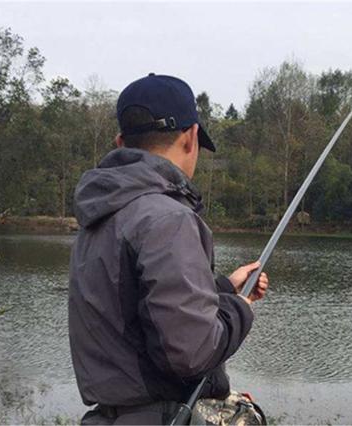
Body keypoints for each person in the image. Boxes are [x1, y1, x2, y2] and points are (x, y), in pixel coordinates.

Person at [68, 73, 268, 425]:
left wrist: (223, 287)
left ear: (120, 142)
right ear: (191, 137)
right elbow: (191, 352)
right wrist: (241, 307)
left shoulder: (99, 216)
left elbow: (133, 309)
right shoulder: (168, 218)